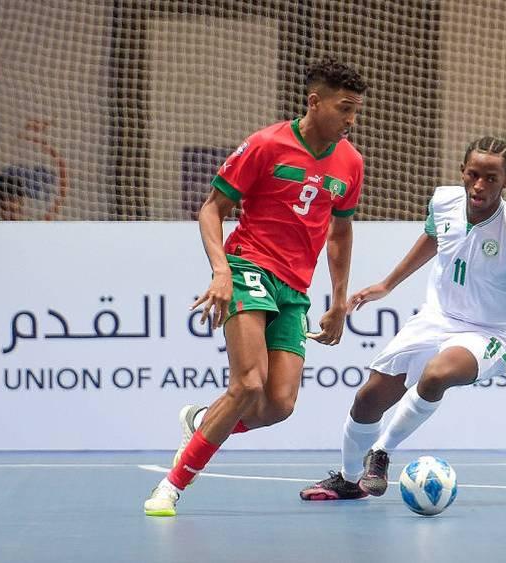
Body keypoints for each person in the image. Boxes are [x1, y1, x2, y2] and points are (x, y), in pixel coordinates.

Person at [144, 57, 368, 516]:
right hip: (249, 267)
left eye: (355, 111)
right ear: (314, 102)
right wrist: (221, 270)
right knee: (247, 384)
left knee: (278, 405)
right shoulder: (266, 145)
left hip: (294, 289)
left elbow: (340, 232)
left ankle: (201, 421)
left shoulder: (351, 163)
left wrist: (340, 300)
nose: (351, 120)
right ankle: (171, 487)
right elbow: (212, 208)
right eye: (344, 108)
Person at [299, 136, 506, 502]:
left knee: (437, 374)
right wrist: (387, 285)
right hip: (436, 317)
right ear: (462, 172)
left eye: (491, 177)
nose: (479, 185)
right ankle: (348, 479)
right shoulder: (443, 202)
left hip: (489, 333)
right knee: (368, 399)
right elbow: (433, 239)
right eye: (473, 174)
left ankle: (381, 453)